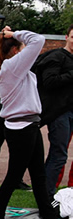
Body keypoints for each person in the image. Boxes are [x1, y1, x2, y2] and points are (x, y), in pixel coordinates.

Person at [0, 26, 73, 219]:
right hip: (21, 128)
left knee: (38, 175)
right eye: (21, 47)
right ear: (16, 51)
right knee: (14, 175)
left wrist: (9, 37)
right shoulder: (12, 66)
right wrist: (13, 34)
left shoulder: (9, 67)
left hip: (29, 125)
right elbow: (38, 39)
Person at [37, 24, 73, 196]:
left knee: (60, 154)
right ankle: (46, 194)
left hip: (70, 111)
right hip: (59, 113)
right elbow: (49, 82)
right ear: (66, 37)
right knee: (58, 154)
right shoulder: (57, 56)